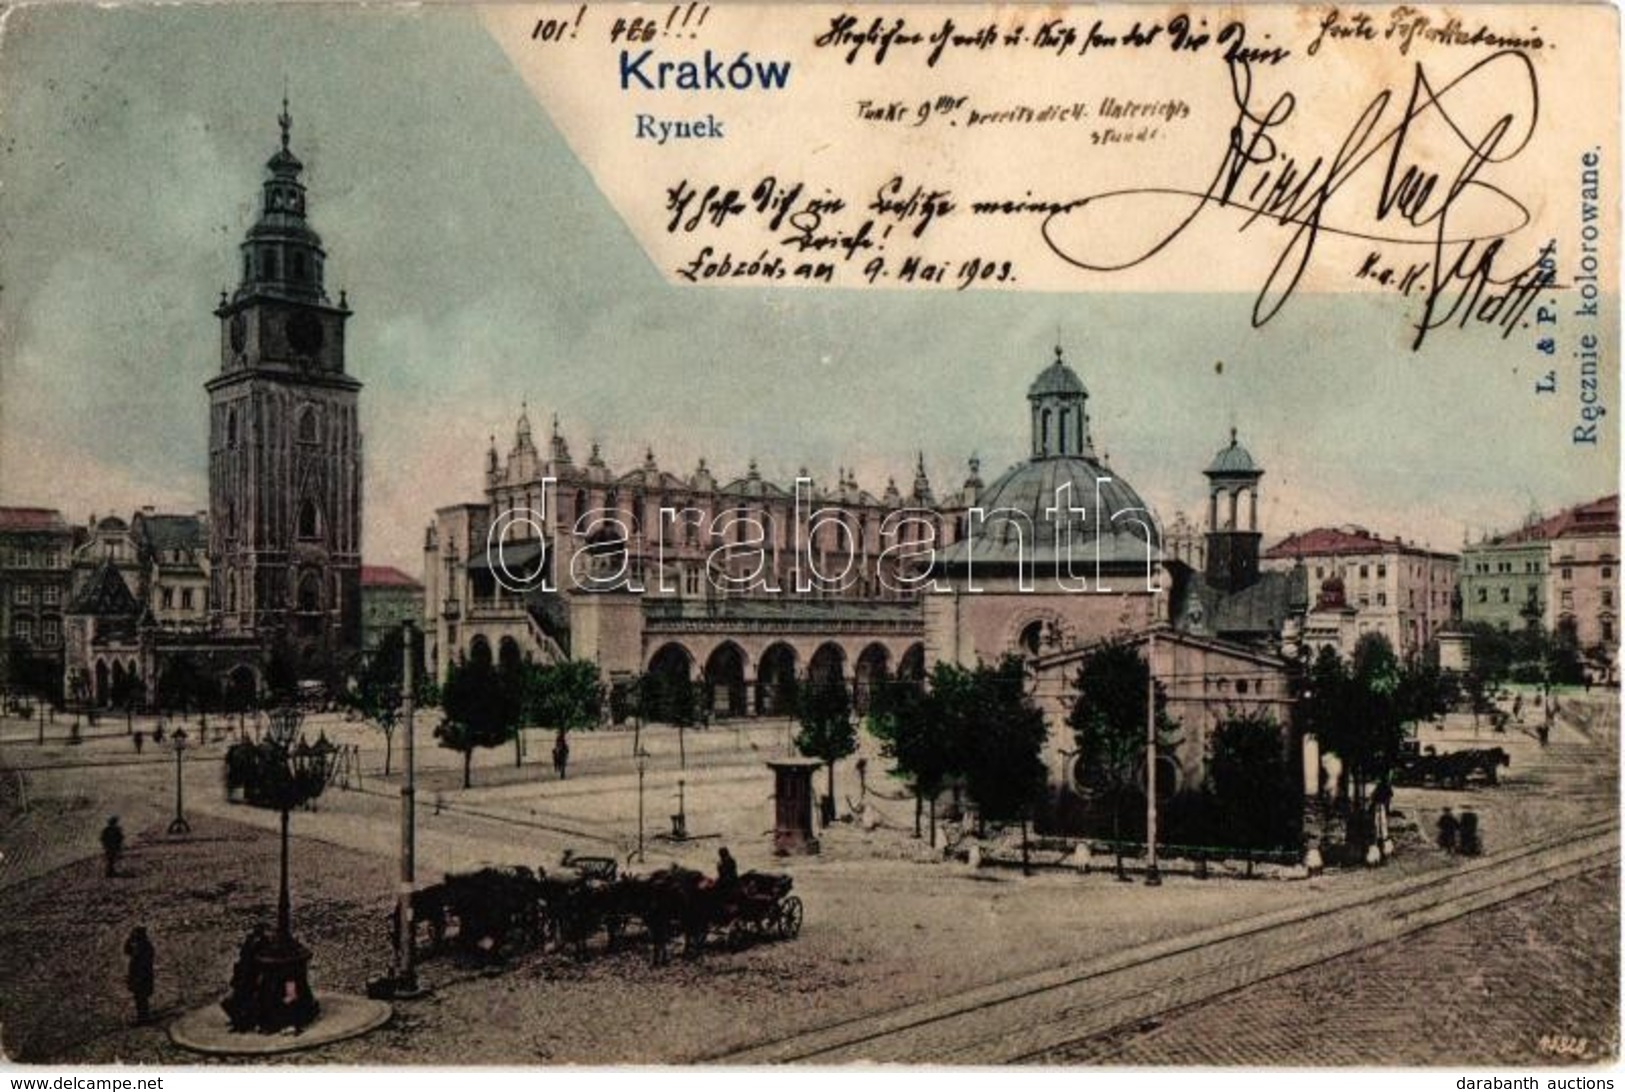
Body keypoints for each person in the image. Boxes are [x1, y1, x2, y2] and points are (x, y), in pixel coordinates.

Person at [123, 926, 155, 1023]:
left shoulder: (146, 947)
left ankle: (144, 1018)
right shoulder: (140, 947)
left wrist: (138, 978)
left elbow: (144, 964)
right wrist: (129, 940)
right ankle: (142, 1017)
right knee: (139, 998)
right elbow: (127, 951)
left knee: (142, 998)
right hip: (138, 976)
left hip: (142, 977)